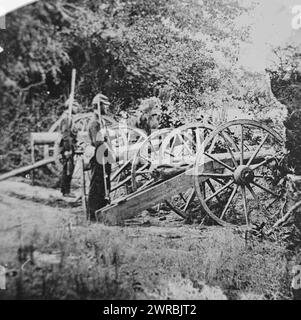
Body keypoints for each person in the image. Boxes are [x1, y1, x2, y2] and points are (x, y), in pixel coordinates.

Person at [87, 95, 112, 221]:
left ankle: (101, 212)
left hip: (104, 154)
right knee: (97, 185)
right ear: (99, 106)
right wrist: (103, 139)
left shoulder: (100, 121)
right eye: (105, 105)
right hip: (98, 155)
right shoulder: (94, 123)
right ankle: (92, 215)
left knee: (104, 184)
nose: (107, 107)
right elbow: (97, 141)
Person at [58, 101, 80, 198]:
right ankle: (66, 191)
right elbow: (66, 135)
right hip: (67, 146)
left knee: (68, 168)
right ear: (71, 107)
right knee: (68, 169)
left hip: (70, 145)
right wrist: (68, 149)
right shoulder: (66, 118)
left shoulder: (69, 117)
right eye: (75, 106)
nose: (77, 108)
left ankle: (65, 190)